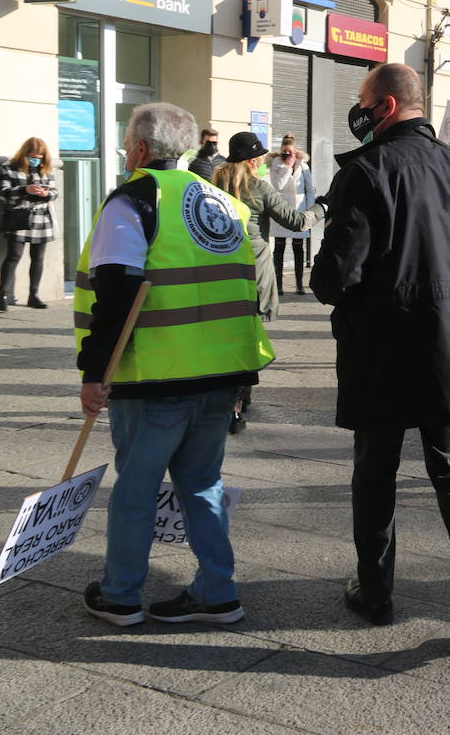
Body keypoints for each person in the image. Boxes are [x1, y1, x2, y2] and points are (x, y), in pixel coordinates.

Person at [311, 62, 450, 649]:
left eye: (363, 102)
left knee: (375, 472)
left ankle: (374, 591)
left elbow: (335, 276)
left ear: (387, 107)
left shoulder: (367, 170)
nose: (359, 112)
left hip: (384, 347)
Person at [76, 102, 273, 626]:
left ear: (140, 148)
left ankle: (120, 595)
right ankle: (218, 590)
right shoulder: (222, 202)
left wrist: (93, 373)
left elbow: (115, 296)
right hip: (221, 375)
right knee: (202, 484)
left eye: (126, 142)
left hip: (155, 377)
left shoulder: (135, 201)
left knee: (137, 490)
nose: (125, 151)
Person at [212, 133, 323, 322]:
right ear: (251, 161)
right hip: (255, 272)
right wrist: (323, 207)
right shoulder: (259, 188)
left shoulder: (213, 185)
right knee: (255, 335)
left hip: (221, 272)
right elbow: (297, 222)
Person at [0, 137, 58, 311]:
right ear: (25, 154)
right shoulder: (10, 168)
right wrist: (24, 190)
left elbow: (54, 192)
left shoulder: (46, 170)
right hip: (19, 217)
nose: (36, 160)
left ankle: (34, 295)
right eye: (33, 156)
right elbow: (3, 192)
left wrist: (45, 193)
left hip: (42, 219)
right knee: (13, 256)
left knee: (38, 258)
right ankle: (2, 296)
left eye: (40, 156)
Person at [266, 134, 316, 296]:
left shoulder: (304, 166)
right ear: (281, 151)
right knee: (279, 248)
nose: (288, 155)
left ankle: (299, 285)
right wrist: (287, 166)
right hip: (282, 211)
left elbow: (309, 188)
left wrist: (309, 210)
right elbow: (278, 185)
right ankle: (279, 285)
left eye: (290, 152)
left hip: (299, 211)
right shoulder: (276, 164)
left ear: (296, 151)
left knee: (298, 249)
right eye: (285, 152)